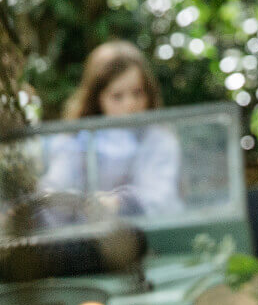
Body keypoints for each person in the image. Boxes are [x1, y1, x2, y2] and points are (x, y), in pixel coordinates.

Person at [42, 40, 182, 216]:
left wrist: (119, 204)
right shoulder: (75, 140)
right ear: (97, 99)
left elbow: (161, 198)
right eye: (117, 96)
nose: (130, 104)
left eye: (137, 93)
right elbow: (55, 188)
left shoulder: (159, 138)